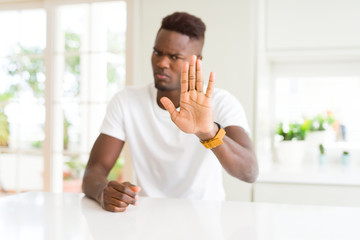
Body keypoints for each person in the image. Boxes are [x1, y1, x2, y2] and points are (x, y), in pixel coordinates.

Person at [82, 12, 258, 212]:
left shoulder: (222, 103)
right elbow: (93, 172)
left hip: (205, 220)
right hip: (147, 218)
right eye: (157, 52)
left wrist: (208, 132)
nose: (162, 63)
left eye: (174, 56)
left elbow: (249, 172)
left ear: (197, 60)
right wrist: (103, 192)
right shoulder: (126, 101)